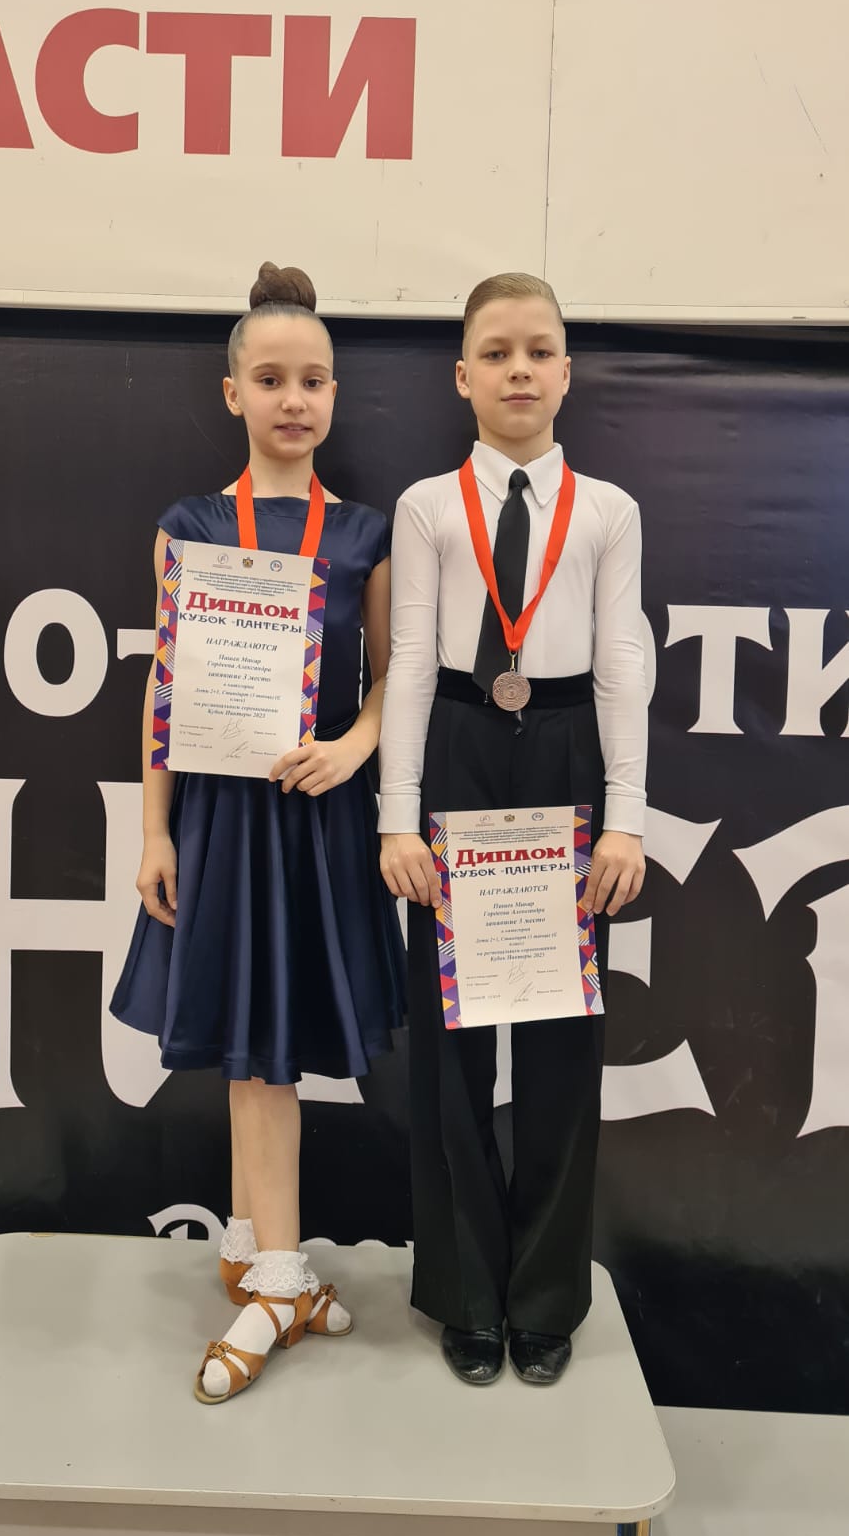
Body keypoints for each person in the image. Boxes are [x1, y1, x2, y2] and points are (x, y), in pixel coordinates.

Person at [112, 261, 405, 1404]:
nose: (295, 398)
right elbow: (166, 682)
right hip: (222, 818)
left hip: (315, 813)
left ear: (335, 394)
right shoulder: (187, 526)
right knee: (247, 1044)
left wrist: (356, 745)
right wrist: (155, 828)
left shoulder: (366, 533)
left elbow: (395, 679)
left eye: (314, 379)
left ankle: (270, 1270)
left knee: (272, 1048)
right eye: (272, 378)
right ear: (233, 391)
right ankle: (270, 1266)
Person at [379, 271, 647, 1386]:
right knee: (451, 1047)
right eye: (496, 353)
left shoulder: (610, 510)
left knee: (558, 1043)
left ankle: (543, 1296)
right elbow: (405, 661)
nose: (519, 370)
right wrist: (398, 819)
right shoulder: (430, 505)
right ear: (462, 377)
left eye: (539, 351)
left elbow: (625, 660)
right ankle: (463, 1292)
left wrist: (625, 821)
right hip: (459, 749)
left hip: (568, 752)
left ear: (568, 372)